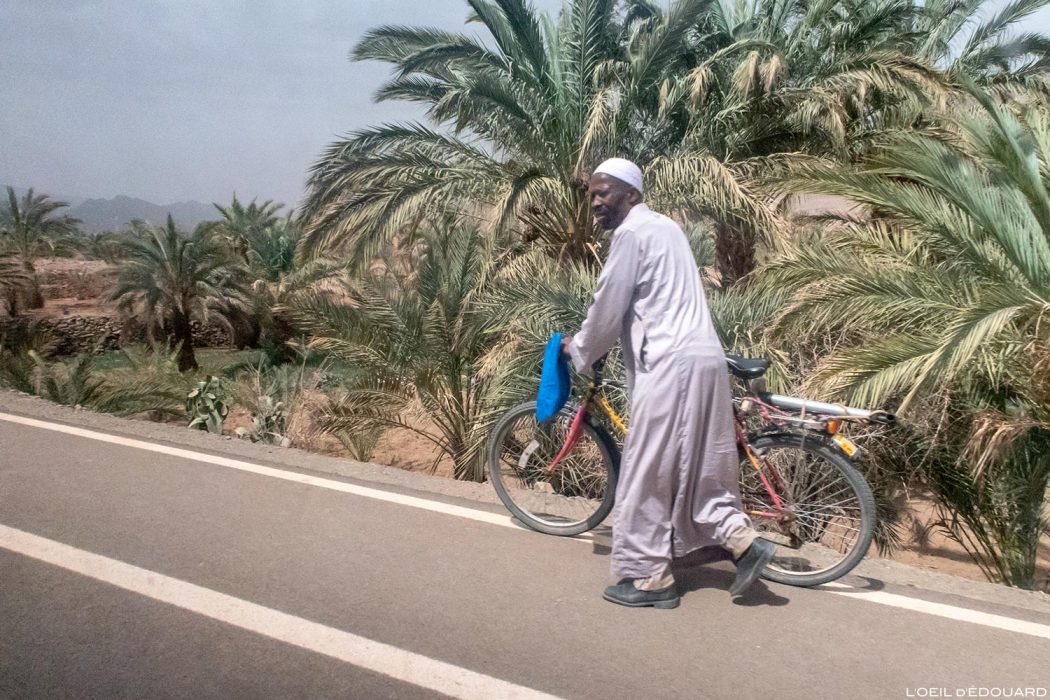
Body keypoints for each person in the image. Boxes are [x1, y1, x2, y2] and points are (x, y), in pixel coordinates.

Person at [561, 157, 775, 608]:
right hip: (705, 357)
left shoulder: (631, 234)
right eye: (592, 194)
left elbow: (608, 304)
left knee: (648, 469)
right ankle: (741, 541)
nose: (595, 202)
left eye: (604, 193)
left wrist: (578, 347)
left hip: (670, 362)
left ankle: (649, 578)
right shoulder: (667, 228)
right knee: (702, 465)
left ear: (631, 194)